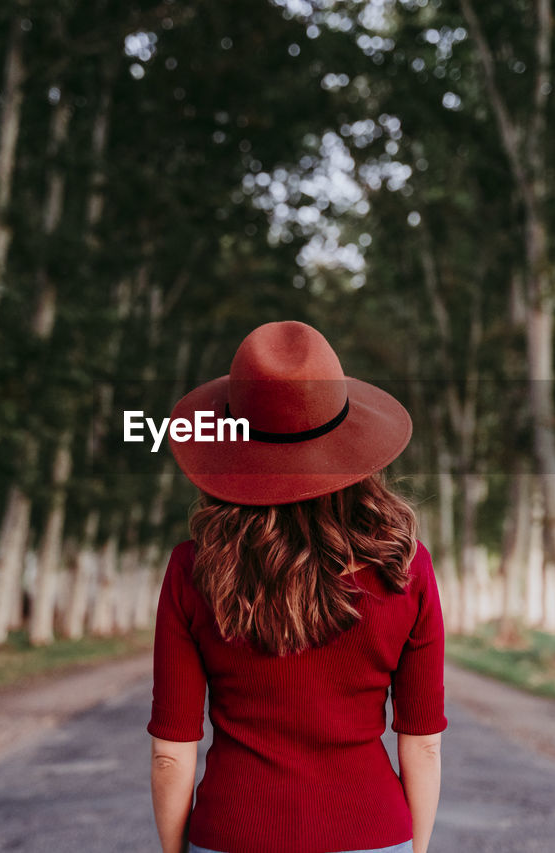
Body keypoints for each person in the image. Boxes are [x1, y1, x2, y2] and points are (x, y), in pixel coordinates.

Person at [147, 320, 447, 853]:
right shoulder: (406, 568)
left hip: (232, 833)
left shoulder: (193, 570)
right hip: (371, 831)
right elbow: (421, 744)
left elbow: (172, 751)